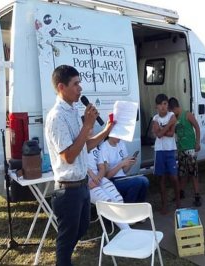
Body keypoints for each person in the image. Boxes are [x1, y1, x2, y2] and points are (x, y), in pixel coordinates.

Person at [45, 65, 112, 266]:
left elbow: (85, 146)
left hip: (82, 186)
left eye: (79, 83)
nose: (80, 89)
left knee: (82, 228)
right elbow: (69, 156)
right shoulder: (57, 116)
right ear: (61, 87)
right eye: (76, 84)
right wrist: (86, 126)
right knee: (65, 242)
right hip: (68, 190)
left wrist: (106, 130)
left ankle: (64, 259)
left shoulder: (73, 111)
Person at [168, 97, 202, 207]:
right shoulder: (174, 119)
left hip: (190, 149)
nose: (171, 114)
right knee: (182, 172)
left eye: (171, 111)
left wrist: (197, 143)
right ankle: (181, 192)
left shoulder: (187, 115)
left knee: (193, 173)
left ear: (175, 108)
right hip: (181, 149)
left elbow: (197, 127)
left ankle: (197, 196)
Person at [87, 146, 130, 230]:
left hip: (99, 178)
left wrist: (98, 178)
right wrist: (91, 178)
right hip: (85, 181)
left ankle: (126, 228)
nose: (90, 131)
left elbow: (102, 167)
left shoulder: (95, 148)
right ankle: (127, 230)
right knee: (108, 202)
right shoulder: (76, 146)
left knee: (118, 199)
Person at [152, 93, 180, 214]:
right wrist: (169, 124)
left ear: (167, 105)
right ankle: (164, 205)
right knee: (161, 178)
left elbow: (171, 134)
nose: (163, 107)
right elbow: (158, 135)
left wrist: (163, 130)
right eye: (160, 105)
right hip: (159, 151)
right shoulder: (155, 118)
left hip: (170, 150)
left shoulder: (171, 115)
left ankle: (178, 202)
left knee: (173, 177)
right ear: (156, 107)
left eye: (165, 104)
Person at [100, 136, 149, 203]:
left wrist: (130, 164)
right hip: (112, 180)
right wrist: (121, 164)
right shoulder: (104, 147)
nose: (120, 137)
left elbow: (124, 171)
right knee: (138, 182)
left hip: (122, 178)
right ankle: (128, 208)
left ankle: (137, 207)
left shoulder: (121, 143)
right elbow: (107, 176)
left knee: (145, 181)